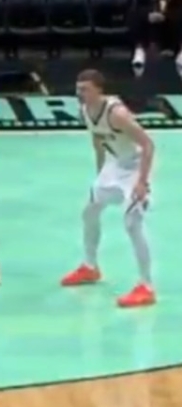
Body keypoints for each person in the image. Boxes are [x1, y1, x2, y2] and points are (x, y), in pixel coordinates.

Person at [60, 69, 156, 308]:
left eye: (85, 89)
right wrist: (100, 174)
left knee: (132, 224)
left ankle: (146, 287)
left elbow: (148, 145)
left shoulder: (117, 114)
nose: (80, 93)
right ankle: (90, 267)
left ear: (99, 90)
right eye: (78, 89)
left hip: (135, 168)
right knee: (89, 211)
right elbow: (98, 140)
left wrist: (142, 182)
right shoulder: (85, 111)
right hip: (114, 165)